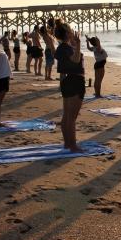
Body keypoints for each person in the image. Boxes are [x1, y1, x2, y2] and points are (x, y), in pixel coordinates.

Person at [53, 21, 85, 152]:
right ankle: (72, 145)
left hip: (67, 81)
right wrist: (78, 45)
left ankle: (67, 143)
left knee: (67, 116)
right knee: (71, 117)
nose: (72, 31)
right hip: (75, 81)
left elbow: (63, 66)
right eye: (70, 30)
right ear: (67, 33)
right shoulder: (66, 48)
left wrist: (75, 44)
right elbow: (76, 60)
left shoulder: (62, 47)